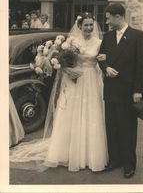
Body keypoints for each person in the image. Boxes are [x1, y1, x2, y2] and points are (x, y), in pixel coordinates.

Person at [10, 12, 107, 172]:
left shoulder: (99, 42)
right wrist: (68, 70)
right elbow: (63, 61)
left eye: (91, 25)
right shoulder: (72, 42)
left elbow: (102, 62)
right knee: (72, 113)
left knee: (91, 114)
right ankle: (69, 152)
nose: (89, 28)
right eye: (86, 25)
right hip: (75, 80)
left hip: (91, 81)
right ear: (80, 26)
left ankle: (90, 154)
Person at [99, 3, 143, 178]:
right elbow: (100, 57)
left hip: (129, 92)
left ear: (117, 16)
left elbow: (142, 66)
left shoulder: (137, 36)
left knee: (127, 128)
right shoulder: (108, 36)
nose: (106, 22)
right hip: (111, 90)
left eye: (108, 18)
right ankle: (114, 160)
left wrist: (138, 90)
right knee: (111, 126)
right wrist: (105, 68)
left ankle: (129, 164)